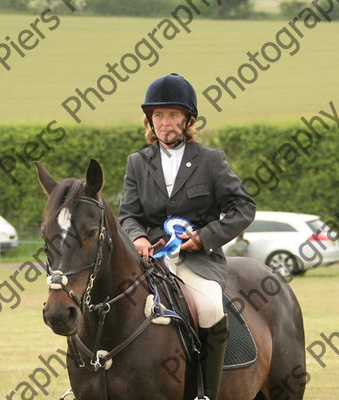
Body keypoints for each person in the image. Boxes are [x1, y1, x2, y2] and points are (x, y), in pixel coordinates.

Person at [118, 73, 256, 400]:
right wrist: (137, 238)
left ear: (188, 119)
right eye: (159, 116)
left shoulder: (210, 161)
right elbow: (128, 215)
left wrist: (204, 237)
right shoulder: (137, 163)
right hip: (150, 261)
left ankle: (205, 392)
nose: (165, 123)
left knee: (210, 309)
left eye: (173, 115)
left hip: (197, 261)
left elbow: (242, 207)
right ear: (150, 120)